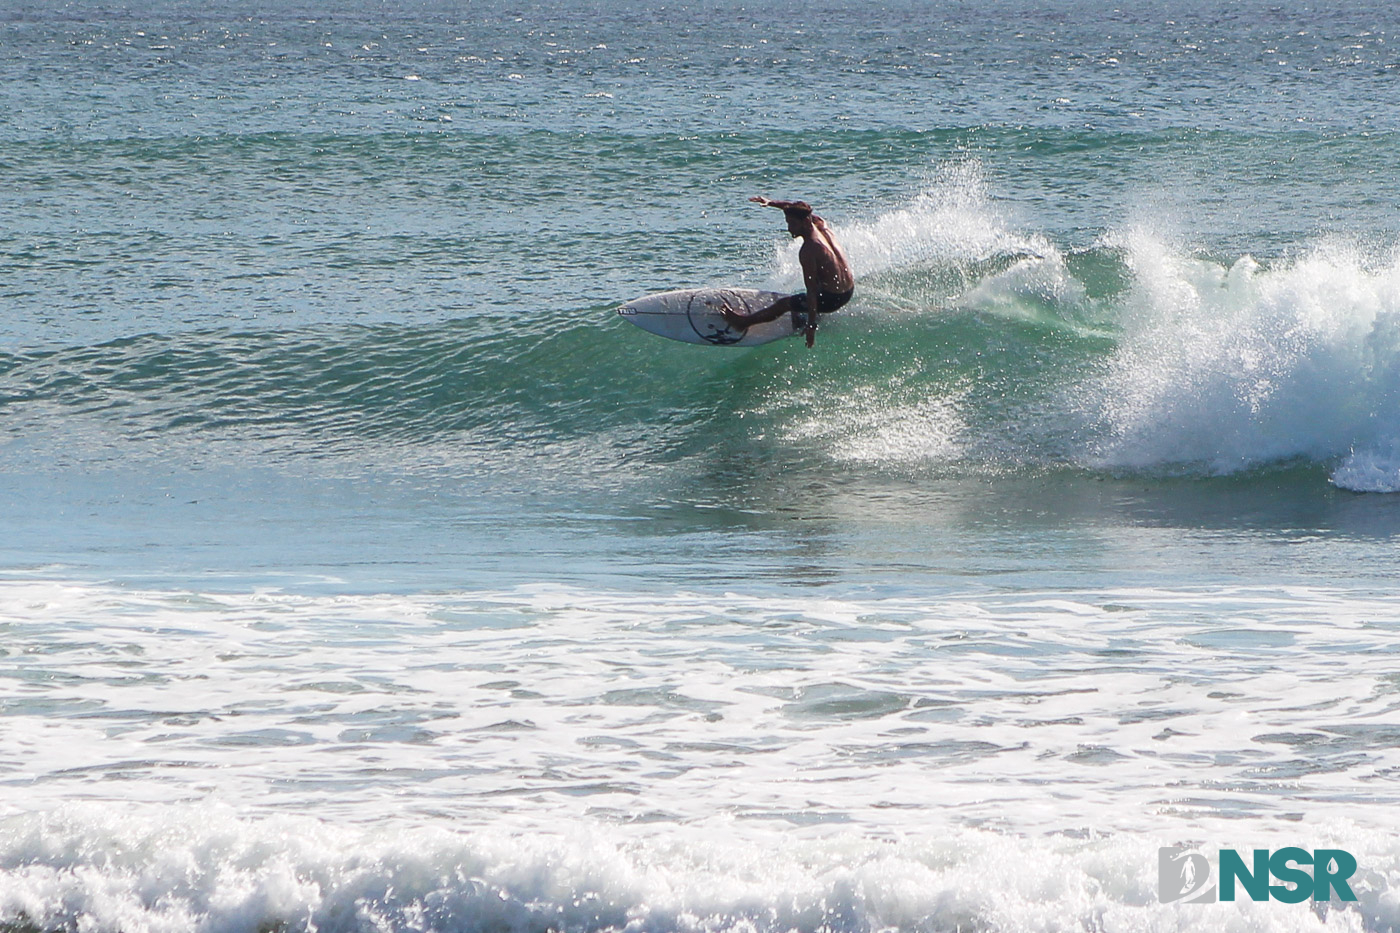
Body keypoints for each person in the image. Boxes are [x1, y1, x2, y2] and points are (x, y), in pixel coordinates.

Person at [722, 196, 854, 348]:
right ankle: (807, 314)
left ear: (805, 222)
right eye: (788, 223)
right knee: (822, 276)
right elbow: (792, 208)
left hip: (833, 299)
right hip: (848, 290)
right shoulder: (821, 225)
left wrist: (811, 326)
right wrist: (771, 203)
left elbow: (811, 291)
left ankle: (742, 323)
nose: (789, 229)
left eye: (793, 224)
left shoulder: (809, 249)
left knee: (784, 304)